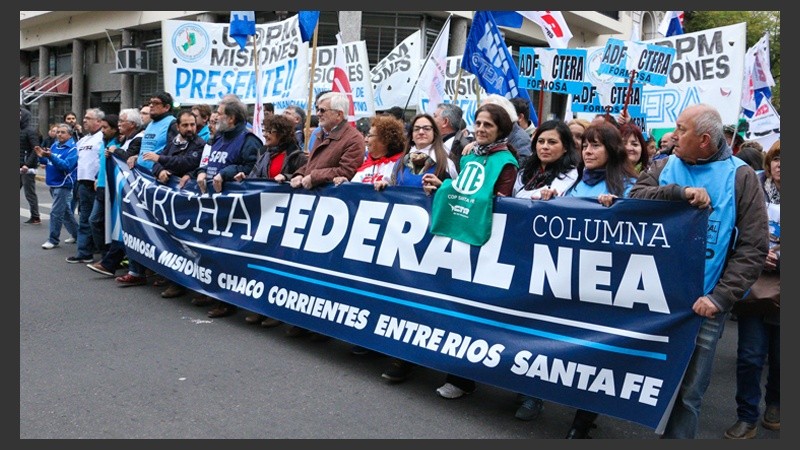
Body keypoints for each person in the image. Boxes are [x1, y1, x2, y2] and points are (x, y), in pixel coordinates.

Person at [629, 103, 768, 439]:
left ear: (704, 140)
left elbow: (753, 248)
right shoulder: (664, 166)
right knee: (641, 378)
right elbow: (634, 198)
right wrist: (679, 193)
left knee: (688, 393)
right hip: (652, 297)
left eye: (681, 130)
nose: (672, 136)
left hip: (703, 306)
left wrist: (720, 297)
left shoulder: (741, 177)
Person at [424, 103, 519, 399]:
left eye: (488, 125)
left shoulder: (506, 161)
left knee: (472, 310)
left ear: (500, 130)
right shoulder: (470, 153)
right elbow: (462, 188)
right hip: (460, 235)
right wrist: (443, 187)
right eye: (478, 123)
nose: (480, 129)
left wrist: (452, 190)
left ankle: (464, 379)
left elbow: (497, 202)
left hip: (484, 242)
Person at [275, 91, 365, 338]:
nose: (318, 114)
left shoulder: (353, 140)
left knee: (323, 269)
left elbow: (346, 171)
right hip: (313, 208)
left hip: (331, 213)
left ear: (339, 114)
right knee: (304, 265)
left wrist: (312, 178)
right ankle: (303, 318)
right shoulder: (322, 135)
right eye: (317, 108)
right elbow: (312, 164)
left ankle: (321, 325)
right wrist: (294, 175)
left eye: (322, 110)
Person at [724, 139, 780, 439]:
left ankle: (776, 403)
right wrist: (759, 252)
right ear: (769, 162)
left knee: (782, 356)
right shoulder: (752, 188)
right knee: (750, 356)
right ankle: (746, 415)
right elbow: (733, 228)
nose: (781, 164)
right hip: (754, 284)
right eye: (777, 158)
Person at [234, 114, 308, 327]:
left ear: (282, 134)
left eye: (270, 131)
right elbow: (257, 178)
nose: (265, 134)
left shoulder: (296, 156)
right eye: (265, 130)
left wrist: (286, 178)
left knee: (278, 266)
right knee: (260, 262)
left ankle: (276, 311)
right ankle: (259, 306)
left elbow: (299, 178)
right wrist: (245, 179)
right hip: (264, 217)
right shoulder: (265, 152)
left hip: (285, 219)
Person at [190, 96, 260, 317]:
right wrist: (201, 172)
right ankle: (209, 289)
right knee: (209, 249)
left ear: (231, 118)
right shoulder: (218, 137)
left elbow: (252, 167)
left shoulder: (248, 140)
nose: (215, 117)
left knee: (228, 253)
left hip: (234, 208)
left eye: (219, 113)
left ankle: (227, 300)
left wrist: (227, 173)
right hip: (212, 203)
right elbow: (206, 161)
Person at [140, 110, 206, 299]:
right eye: (185, 125)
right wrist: (160, 170)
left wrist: (160, 160)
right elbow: (154, 162)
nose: (190, 129)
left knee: (192, 246)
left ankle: (198, 287)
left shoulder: (200, 144)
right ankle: (174, 282)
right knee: (172, 241)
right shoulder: (173, 142)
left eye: (192, 125)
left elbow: (186, 163)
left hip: (190, 204)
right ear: (178, 127)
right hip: (171, 204)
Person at [85, 108, 146, 279]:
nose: (119, 124)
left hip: (131, 191)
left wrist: (115, 151)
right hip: (121, 190)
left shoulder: (138, 139)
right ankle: (112, 263)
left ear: (132, 124)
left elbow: (128, 159)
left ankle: (120, 265)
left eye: (122, 121)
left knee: (126, 229)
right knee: (121, 228)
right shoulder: (125, 139)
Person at [376, 113, 457, 194]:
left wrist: (441, 186)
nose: (421, 132)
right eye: (416, 129)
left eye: (427, 128)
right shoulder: (400, 162)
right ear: (411, 135)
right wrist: (384, 185)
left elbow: (455, 195)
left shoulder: (446, 164)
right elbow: (390, 183)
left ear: (434, 133)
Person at [66, 108, 104, 264]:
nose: (84, 120)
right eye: (85, 117)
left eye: (88, 118)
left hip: (97, 184)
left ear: (98, 121)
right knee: (84, 219)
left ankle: (103, 253)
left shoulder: (102, 137)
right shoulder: (83, 140)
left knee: (96, 220)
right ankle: (84, 252)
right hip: (82, 183)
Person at [35, 123, 78, 249]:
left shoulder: (72, 149)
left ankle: (53, 240)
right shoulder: (55, 145)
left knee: (56, 212)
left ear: (70, 134)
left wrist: (51, 156)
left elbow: (66, 166)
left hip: (64, 183)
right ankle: (78, 234)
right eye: (58, 132)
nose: (59, 134)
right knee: (65, 212)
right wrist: (42, 157)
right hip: (53, 182)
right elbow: (48, 162)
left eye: (62, 132)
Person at [513, 119, 579, 201]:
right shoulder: (525, 170)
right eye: (541, 141)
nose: (545, 147)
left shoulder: (569, 172)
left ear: (565, 147)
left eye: (552, 142)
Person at [334, 114, 405, 187]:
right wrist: (346, 184)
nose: (366, 140)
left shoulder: (399, 165)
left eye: (370, 135)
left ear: (384, 140)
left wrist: (388, 187)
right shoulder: (365, 163)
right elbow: (356, 189)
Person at [89, 114, 120, 256]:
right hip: (101, 185)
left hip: (111, 187)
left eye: (106, 127)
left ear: (114, 129)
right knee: (95, 220)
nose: (102, 130)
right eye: (102, 127)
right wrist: (97, 178)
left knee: (102, 221)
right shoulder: (104, 142)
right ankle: (104, 252)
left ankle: (109, 254)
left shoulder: (118, 144)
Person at [480, 94, 532, 166]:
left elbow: (520, 169)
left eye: (489, 115)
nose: (481, 128)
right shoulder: (480, 140)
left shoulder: (521, 140)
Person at [20, 107, 41, 224]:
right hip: (19, 167)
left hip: (26, 168)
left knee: (29, 193)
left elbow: (35, 149)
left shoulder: (30, 131)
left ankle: (36, 216)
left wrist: (27, 165)